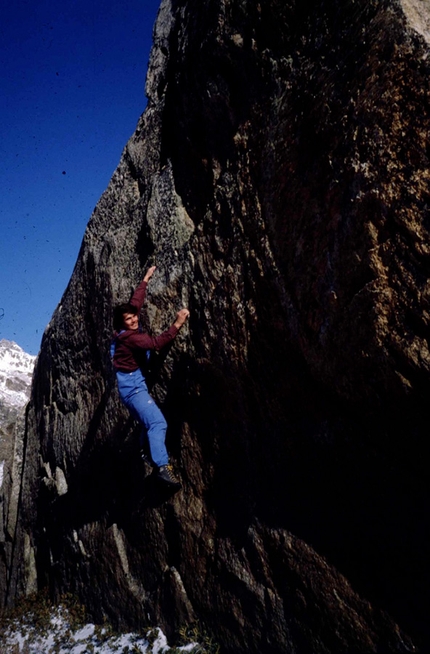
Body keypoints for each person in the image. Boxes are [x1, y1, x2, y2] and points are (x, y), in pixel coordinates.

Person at [111, 266, 189, 490]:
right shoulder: (130, 339)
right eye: (129, 319)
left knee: (148, 423)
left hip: (129, 386)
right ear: (122, 323)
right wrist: (177, 323)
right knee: (157, 422)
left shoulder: (125, 326)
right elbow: (155, 344)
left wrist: (145, 279)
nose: (135, 319)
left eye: (134, 317)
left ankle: (146, 449)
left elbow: (135, 302)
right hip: (134, 388)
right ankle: (162, 468)